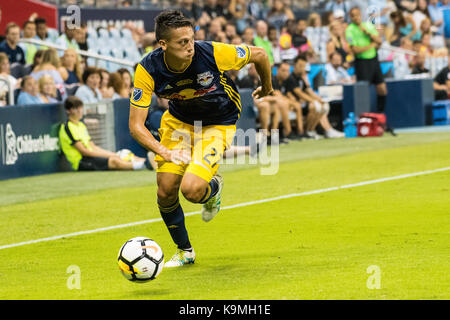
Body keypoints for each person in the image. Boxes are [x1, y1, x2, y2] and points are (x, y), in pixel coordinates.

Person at [128, 10, 273, 268]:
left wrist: (268, 85)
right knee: (165, 191)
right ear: (163, 45)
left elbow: (260, 54)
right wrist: (165, 151)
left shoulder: (211, 52)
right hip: (179, 122)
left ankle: (213, 190)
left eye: (191, 39)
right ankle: (185, 251)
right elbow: (136, 127)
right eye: (182, 42)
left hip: (219, 121)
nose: (190, 46)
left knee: (192, 190)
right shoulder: (148, 69)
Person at [59, 96, 154, 172]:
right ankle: (144, 166)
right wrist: (110, 156)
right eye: (76, 108)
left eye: (80, 107)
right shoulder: (67, 127)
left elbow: (93, 147)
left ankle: (149, 162)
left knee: (121, 154)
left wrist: (113, 154)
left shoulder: (81, 125)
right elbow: (84, 151)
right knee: (114, 160)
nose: (80, 111)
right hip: (81, 162)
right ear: (68, 111)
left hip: (90, 156)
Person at [346, 6, 394, 135]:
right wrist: (371, 45)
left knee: (382, 89)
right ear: (351, 17)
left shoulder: (369, 25)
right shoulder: (349, 30)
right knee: (363, 93)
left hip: (374, 60)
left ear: (360, 15)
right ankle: (365, 122)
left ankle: (380, 118)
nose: (356, 17)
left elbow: (379, 40)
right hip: (361, 62)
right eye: (353, 15)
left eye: (357, 14)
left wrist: (367, 33)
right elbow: (355, 50)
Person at [284, 54, 345, 139]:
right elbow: (299, 93)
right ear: (295, 65)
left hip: (303, 104)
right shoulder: (291, 78)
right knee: (315, 106)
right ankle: (308, 130)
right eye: (300, 65)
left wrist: (319, 99)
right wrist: (312, 100)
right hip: (296, 104)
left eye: (303, 66)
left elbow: (308, 91)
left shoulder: (301, 78)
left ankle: (315, 130)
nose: (301, 68)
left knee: (323, 105)